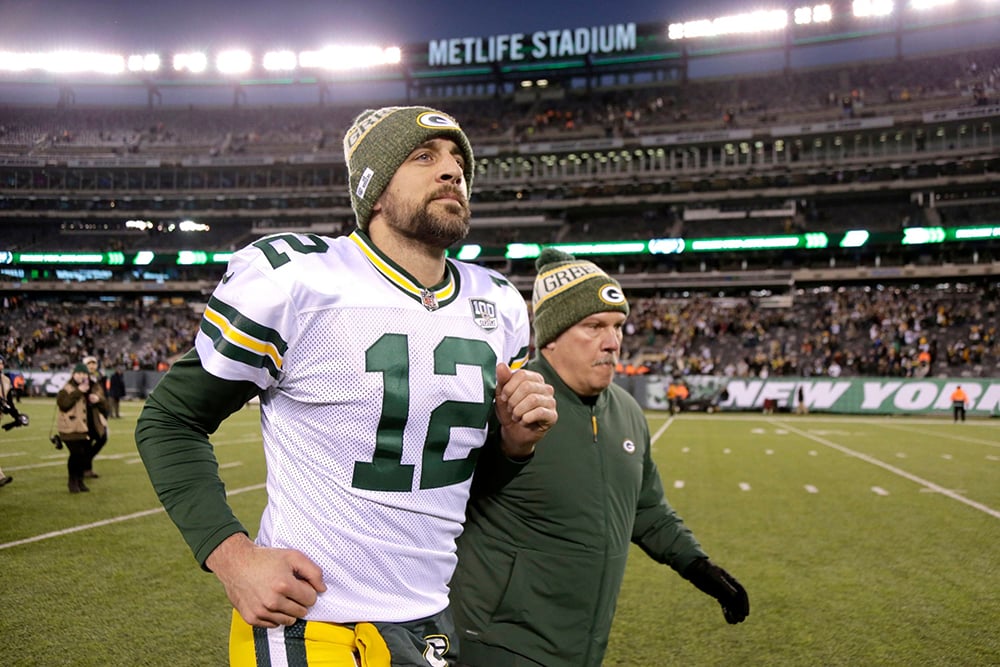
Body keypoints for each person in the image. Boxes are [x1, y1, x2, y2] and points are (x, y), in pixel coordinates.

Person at [135, 105, 558, 667]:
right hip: (310, 617)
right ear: (374, 189)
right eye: (424, 156)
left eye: (458, 160)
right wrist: (232, 557)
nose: (453, 170)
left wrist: (514, 445)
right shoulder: (299, 277)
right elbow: (169, 421)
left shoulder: (499, 303)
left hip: (430, 616)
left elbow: (463, 483)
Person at [451, 248, 749, 667]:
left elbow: (647, 508)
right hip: (500, 642)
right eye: (594, 326)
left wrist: (699, 567)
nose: (613, 343)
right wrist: (510, 446)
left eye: (617, 326)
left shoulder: (626, 411)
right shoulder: (507, 401)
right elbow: (453, 498)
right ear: (552, 335)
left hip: (582, 646)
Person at [56, 362, 109, 493]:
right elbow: (64, 404)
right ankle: (72, 481)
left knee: (82, 455)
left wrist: (98, 399)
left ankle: (80, 480)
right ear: (73, 374)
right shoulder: (67, 388)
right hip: (70, 428)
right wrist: (79, 391)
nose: (82, 376)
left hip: (87, 428)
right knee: (76, 454)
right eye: (79, 373)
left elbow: (105, 406)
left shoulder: (92, 387)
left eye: (84, 373)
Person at [82, 355, 109, 478]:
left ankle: (86, 465)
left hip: (95, 414)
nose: (92, 366)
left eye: (94, 364)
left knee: (101, 438)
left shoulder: (96, 378)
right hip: (84, 415)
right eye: (89, 364)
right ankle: (86, 468)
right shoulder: (81, 378)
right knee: (88, 442)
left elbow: (103, 396)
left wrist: (98, 399)